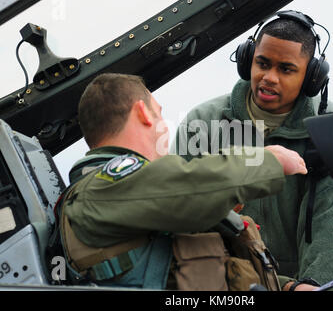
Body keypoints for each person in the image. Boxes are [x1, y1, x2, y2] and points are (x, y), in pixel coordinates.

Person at [56, 72, 309, 290]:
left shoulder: (126, 200)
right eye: (159, 114)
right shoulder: (104, 186)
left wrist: (288, 286)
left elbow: (185, 262)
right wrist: (267, 160)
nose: (165, 127)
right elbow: (192, 183)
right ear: (143, 113)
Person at [172, 10, 333, 290]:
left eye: (286, 69)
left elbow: (329, 216)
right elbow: (181, 211)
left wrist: (312, 285)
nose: (269, 77)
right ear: (247, 60)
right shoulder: (202, 122)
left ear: (311, 78)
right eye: (262, 63)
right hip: (220, 283)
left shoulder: (330, 127)